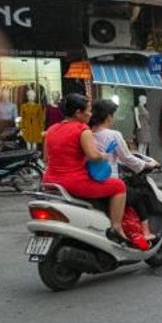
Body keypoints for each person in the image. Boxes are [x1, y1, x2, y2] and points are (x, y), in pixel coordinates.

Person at [42, 94, 129, 243]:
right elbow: (93, 156)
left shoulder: (51, 129)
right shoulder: (82, 129)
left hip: (50, 181)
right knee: (119, 186)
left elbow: (46, 159)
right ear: (78, 112)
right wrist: (104, 155)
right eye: (88, 110)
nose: (90, 114)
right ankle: (116, 227)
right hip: (75, 182)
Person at [90, 100, 159, 241]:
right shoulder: (113, 135)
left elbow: (118, 157)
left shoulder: (88, 134)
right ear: (108, 116)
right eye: (112, 115)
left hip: (92, 180)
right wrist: (147, 165)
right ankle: (145, 232)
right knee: (140, 196)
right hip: (111, 182)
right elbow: (127, 158)